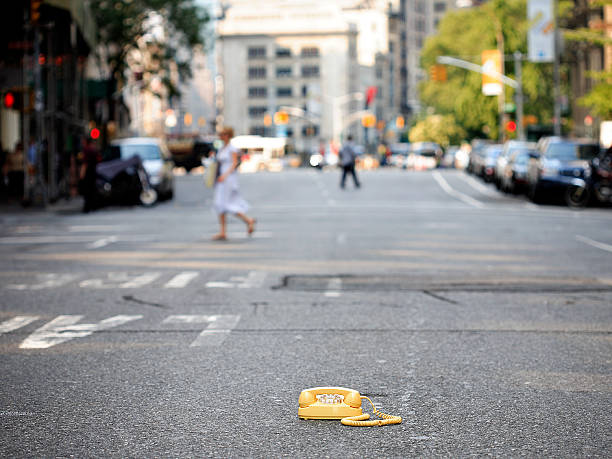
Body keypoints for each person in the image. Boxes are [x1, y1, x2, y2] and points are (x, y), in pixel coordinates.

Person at [212, 126, 256, 240]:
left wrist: (225, 175)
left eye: (223, 134)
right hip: (221, 178)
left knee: (227, 204)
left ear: (228, 135)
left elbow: (234, 164)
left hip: (229, 179)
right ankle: (223, 231)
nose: (220, 137)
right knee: (220, 204)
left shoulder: (232, 148)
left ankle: (248, 220)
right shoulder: (222, 148)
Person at [79, 138, 100, 213]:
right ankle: (93, 206)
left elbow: (85, 163)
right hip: (93, 172)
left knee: (87, 190)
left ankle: (87, 207)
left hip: (88, 173)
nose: (82, 143)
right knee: (92, 189)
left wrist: (82, 174)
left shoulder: (86, 150)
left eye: (83, 142)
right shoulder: (94, 150)